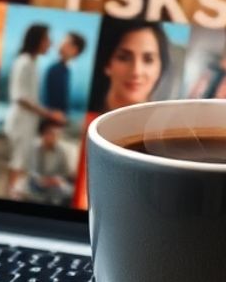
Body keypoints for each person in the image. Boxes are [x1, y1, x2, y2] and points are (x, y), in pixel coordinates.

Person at [74, 18, 174, 209]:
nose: (136, 71)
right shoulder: (82, 125)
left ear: (160, 67)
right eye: (124, 57)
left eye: (148, 59)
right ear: (107, 64)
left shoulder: (171, 137)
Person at [4, 23, 66, 197]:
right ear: (37, 40)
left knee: (22, 158)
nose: (50, 43)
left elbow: (30, 98)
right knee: (18, 158)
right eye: (47, 39)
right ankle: (12, 195)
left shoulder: (32, 63)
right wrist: (49, 114)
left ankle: (15, 191)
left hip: (27, 121)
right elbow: (20, 97)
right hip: (20, 120)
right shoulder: (24, 62)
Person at [24, 118, 76, 205]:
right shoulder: (35, 149)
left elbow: (65, 172)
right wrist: (45, 181)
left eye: (56, 134)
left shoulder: (61, 151)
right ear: (43, 134)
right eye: (51, 133)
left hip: (56, 184)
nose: (54, 137)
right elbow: (33, 172)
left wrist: (57, 180)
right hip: (38, 185)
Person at [41, 31, 87, 116]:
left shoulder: (66, 70)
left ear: (74, 50)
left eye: (65, 42)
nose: (60, 44)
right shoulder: (55, 69)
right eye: (61, 41)